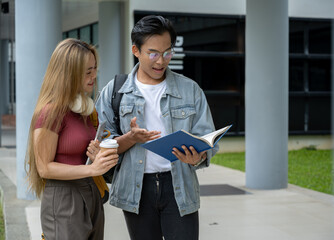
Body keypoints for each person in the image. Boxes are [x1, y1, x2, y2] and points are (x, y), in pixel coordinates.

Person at [96, 15, 219, 240]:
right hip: (137, 189)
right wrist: (130, 138)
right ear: (136, 50)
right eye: (153, 53)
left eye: (167, 53)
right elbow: (100, 145)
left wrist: (198, 158)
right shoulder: (114, 92)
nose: (161, 61)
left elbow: (205, 138)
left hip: (179, 186)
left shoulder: (190, 90)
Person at [25, 38, 119, 240]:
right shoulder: (50, 112)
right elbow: (44, 168)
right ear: (68, 73)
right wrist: (92, 169)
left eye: (95, 69)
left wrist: (97, 155)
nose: (94, 75)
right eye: (87, 71)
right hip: (65, 197)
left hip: (91, 191)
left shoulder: (84, 110)